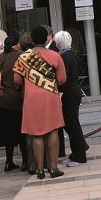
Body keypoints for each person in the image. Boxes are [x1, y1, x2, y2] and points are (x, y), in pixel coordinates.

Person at [13, 26, 67, 179]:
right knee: (53, 130)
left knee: (36, 134)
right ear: (46, 39)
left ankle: (40, 169)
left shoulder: (23, 57)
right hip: (50, 95)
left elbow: (16, 80)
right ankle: (54, 167)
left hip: (31, 98)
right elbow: (62, 79)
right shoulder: (55, 56)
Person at [54, 31, 88, 166]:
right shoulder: (71, 53)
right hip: (73, 92)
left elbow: (63, 78)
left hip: (69, 93)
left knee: (72, 124)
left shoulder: (64, 56)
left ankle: (79, 155)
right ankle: (76, 153)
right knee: (71, 124)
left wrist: (60, 93)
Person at [0, 33, 26, 172]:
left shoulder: (1, 56)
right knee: (22, 131)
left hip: (4, 100)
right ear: (15, 45)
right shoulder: (21, 55)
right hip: (18, 99)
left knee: (8, 133)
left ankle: (9, 161)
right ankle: (26, 161)